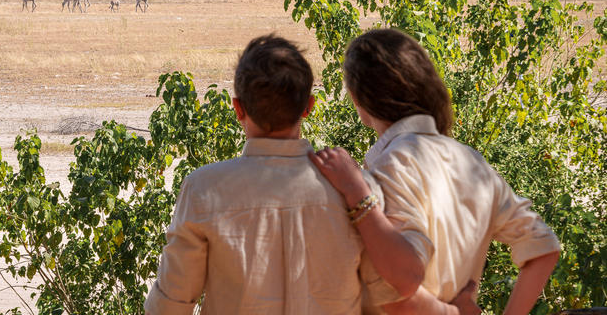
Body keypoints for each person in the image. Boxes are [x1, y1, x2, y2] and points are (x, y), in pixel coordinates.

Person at [145, 34, 458, 314]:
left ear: (238, 109)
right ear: (308, 107)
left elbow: (171, 303)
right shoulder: (354, 189)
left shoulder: (203, 188)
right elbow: (391, 295)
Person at [308, 28, 561, 315]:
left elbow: (397, 292)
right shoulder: (472, 162)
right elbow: (543, 247)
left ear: (357, 98)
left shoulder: (394, 165)